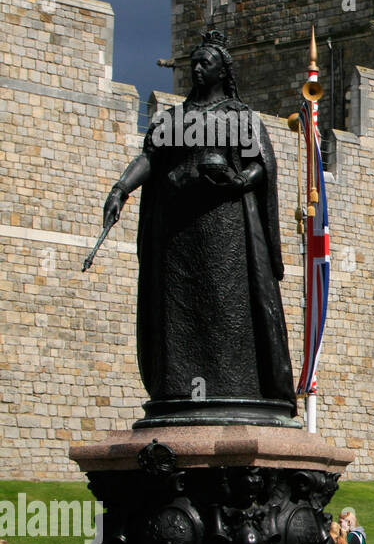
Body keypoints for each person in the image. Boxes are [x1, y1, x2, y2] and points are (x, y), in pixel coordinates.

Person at [100, 29, 295, 422]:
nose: (197, 68)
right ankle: (178, 390)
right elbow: (150, 159)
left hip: (225, 230)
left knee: (227, 308)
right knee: (180, 311)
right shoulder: (174, 120)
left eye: (205, 62)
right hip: (178, 232)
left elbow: (261, 165)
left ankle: (236, 389)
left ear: (222, 70)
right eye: (194, 63)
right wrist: (122, 187)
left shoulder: (238, 117)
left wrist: (241, 181)